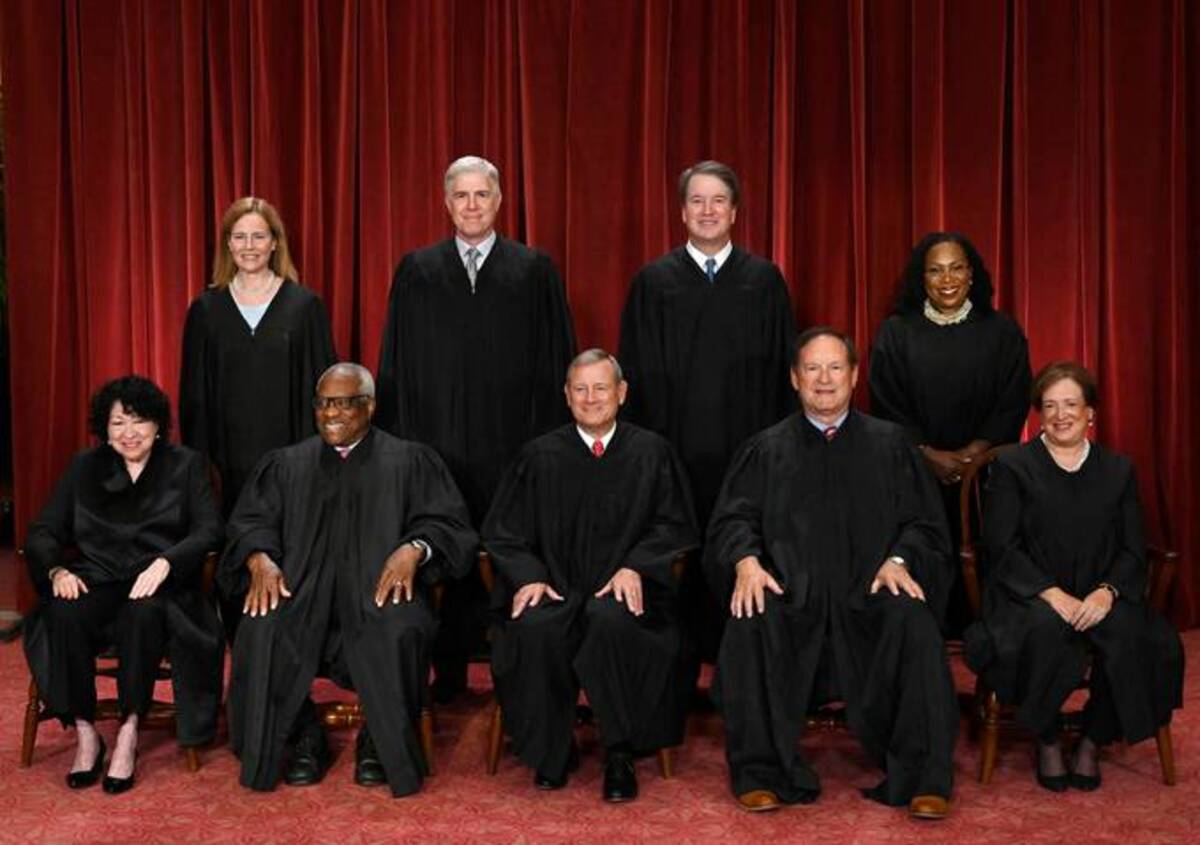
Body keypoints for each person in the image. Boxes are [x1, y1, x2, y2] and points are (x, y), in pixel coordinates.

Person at [707, 327, 957, 819]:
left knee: (915, 622)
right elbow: (732, 519)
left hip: (869, 594)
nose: (824, 380)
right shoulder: (766, 449)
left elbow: (925, 524)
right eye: (812, 369)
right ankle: (760, 773)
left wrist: (900, 559)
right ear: (795, 379)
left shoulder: (891, 446)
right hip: (789, 595)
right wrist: (746, 561)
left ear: (855, 376)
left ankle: (924, 777)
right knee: (751, 618)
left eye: (835, 368)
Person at [219, 363, 477, 798]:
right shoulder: (287, 464)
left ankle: (380, 738)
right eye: (323, 404)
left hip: (378, 592)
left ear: (370, 406)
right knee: (261, 627)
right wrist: (260, 557)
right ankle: (304, 736)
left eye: (343, 404)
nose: (331, 414)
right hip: (301, 592)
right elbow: (249, 522)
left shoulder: (409, 460)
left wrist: (415, 548)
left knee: (400, 626)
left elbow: (449, 525)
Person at [376, 155, 576, 701]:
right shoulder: (417, 270)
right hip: (436, 442)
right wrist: (401, 444)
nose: (471, 206)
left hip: (511, 442)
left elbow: (555, 361)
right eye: (461, 196)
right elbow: (396, 361)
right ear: (446, 203)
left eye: (481, 195)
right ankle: (448, 670)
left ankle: (515, 674)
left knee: (510, 548)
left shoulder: (533, 270)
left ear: (499, 201)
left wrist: (547, 445)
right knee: (441, 546)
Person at [484, 349, 698, 802]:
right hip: (556, 588)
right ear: (566, 395)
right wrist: (529, 577)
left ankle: (619, 752)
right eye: (580, 389)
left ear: (621, 393)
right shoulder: (539, 456)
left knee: (612, 622)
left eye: (601, 388)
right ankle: (551, 751)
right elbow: (503, 532)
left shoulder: (651, 452)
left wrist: (636, 566)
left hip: (623, 592)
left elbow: (674, 526)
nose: (591, 397)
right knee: (537, 628)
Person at [964, 362, 1184, 791]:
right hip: (1029, 595)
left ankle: (1092, 738)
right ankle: (1046, 736)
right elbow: (1000, 546)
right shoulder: (1012, 467)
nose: (1060, 415)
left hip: (1101, 592)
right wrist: (1051, 594)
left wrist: (1107, 592)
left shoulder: (1118, 469)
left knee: (1137, 637)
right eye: (1049, 406)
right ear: (1037, 414)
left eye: (1070, 404)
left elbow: (1131, 548)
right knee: (1042, 630)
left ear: (1090, 413)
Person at [618, 159, 795, 670]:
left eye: (718, 200)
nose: (708, 210)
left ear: (735, 211)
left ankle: (739, 665)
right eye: (697, 200)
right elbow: (635, 373)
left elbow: (786, 372)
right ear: (682, 211)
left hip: (747, 451)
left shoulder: (763, 281)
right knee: (676, 551)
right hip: (673, 451)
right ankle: (673, 667)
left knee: (742, 545)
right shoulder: (653, 283)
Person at [22, 376, 223, 794]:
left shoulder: (186, 465)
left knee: (143, 612)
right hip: (97, 578)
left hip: (160, 583)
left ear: (157, 424)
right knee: (63, 612)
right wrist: (58, 571)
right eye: (117, 423)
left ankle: (129, 730)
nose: (128, 433)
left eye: (138, 421)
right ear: (104, 428)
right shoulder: (84, 467)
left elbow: (209, 530)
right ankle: (86, 732)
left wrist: (169, 562)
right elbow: (43, 531)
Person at [868, 231, 1031, 632]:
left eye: (956, 268)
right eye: (935, 271)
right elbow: (885, 401)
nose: (947, 279)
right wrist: (927, 454)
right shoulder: (896, 332)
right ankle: (923, 625)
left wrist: (976, 452)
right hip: (914, 468)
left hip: (987, 474)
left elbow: (1013, 397)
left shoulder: (1002, 332)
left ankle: (986, 626)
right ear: (921, 278)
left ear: (971, 275)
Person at [180, 196, 337, 516]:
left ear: (275, 243)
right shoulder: (206, 309)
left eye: (259, 236)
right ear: (228, 244)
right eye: (239, 237)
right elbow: (194, 395)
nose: (249, 246)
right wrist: (202, 468)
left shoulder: (304, 307)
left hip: (295, 461)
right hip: (228, 464)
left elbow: (326, 389)